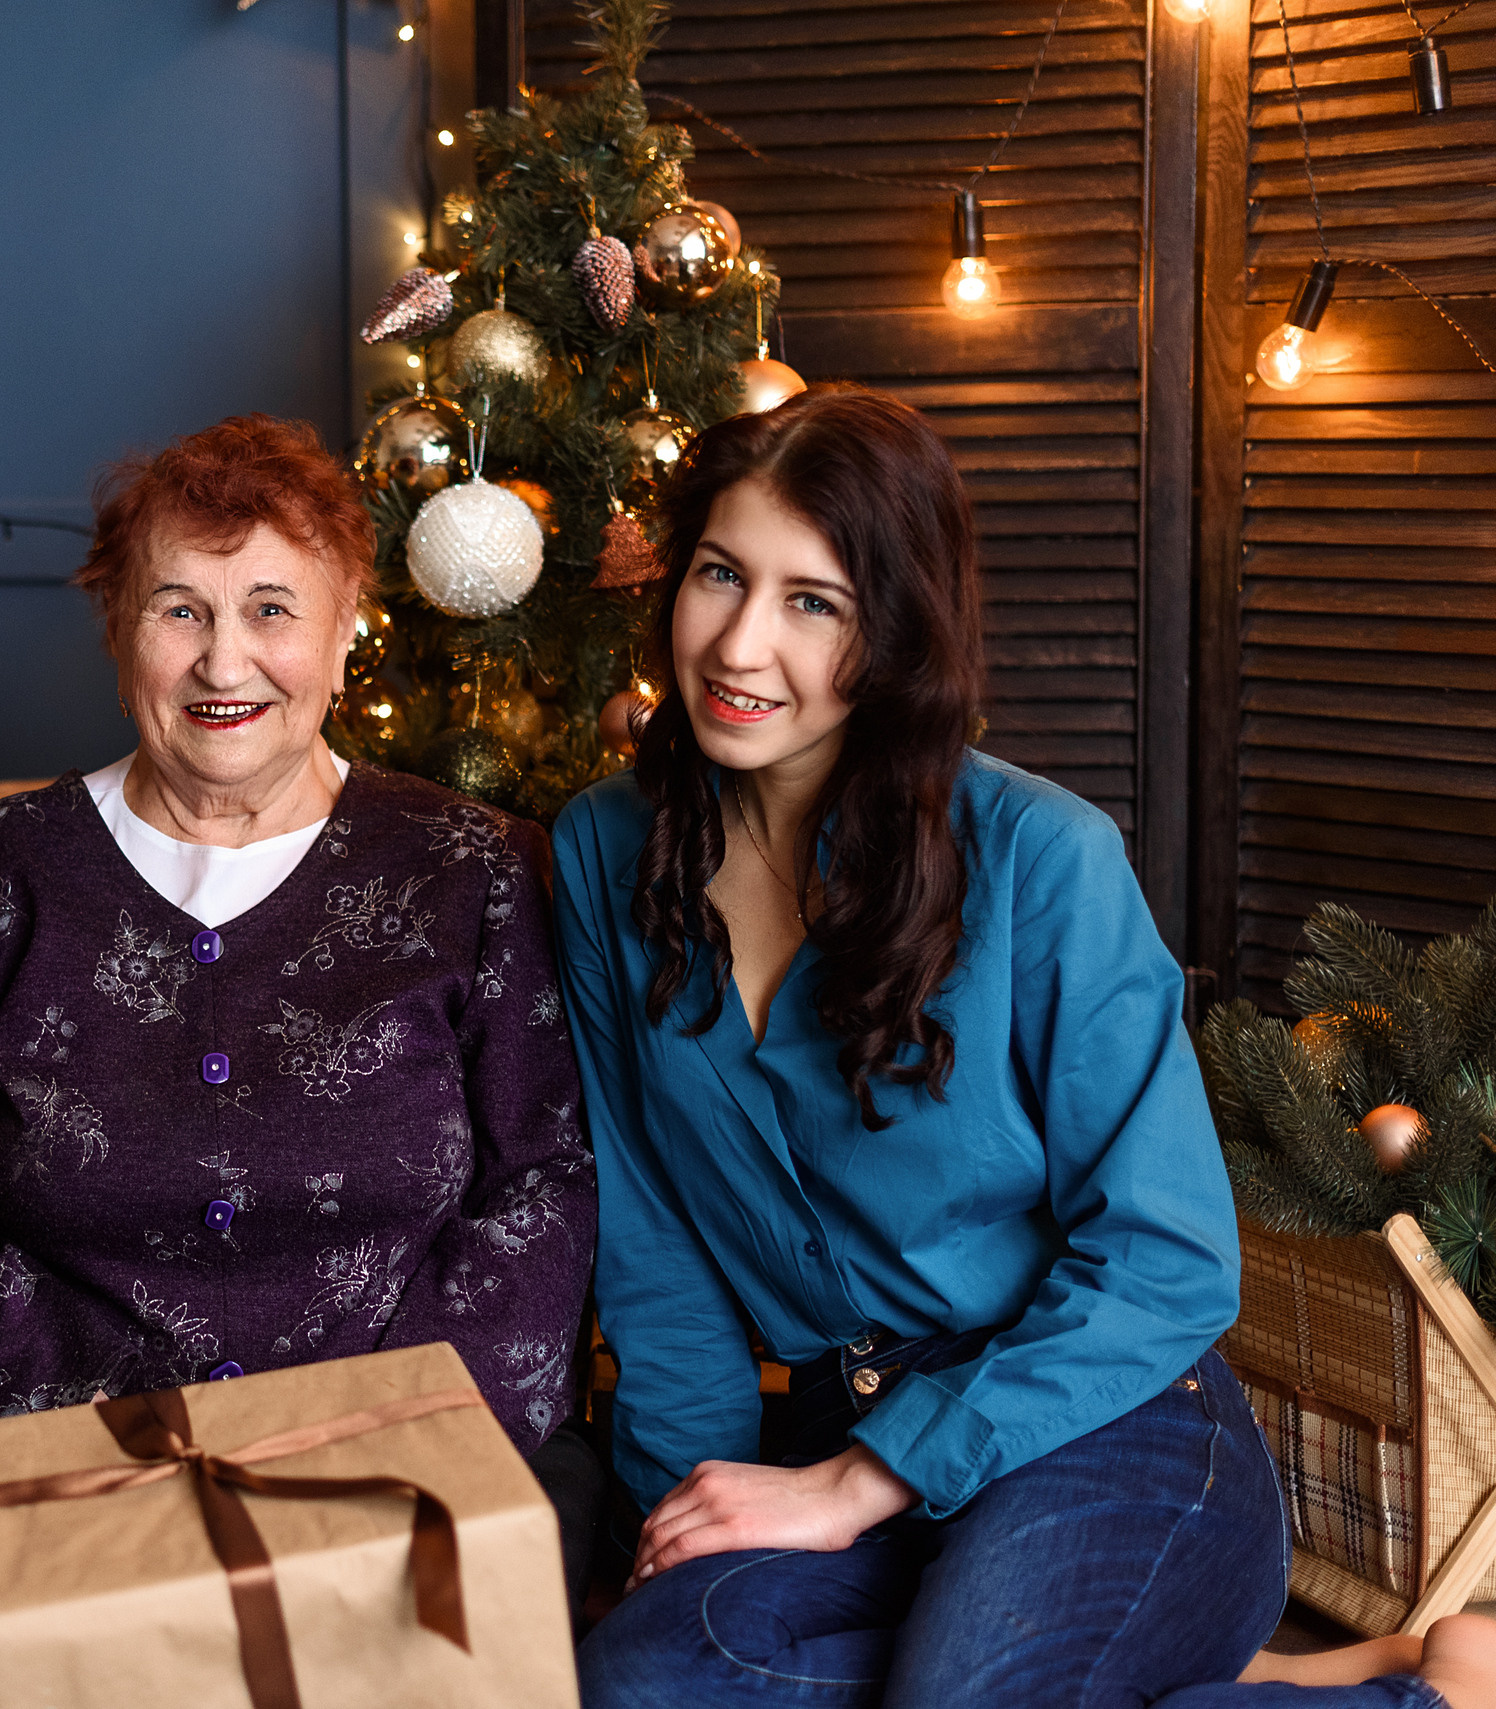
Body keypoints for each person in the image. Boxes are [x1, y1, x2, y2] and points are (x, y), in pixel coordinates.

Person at [552, 386, 1496, 1707]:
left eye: (812, 601)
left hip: (1112, 1426)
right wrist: (684, 1525)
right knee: (650, 1682)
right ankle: (1313, 1680)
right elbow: (652, 1243)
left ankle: (1427, 1697)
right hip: (844, 1433)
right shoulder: (606, 850)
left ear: (896, 631)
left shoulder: (1041, 859)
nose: (741, 644)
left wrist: (855, 1484)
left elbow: (1168, 1264)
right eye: (720, 574)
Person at [0, 414, 602, 1578]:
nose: (223, 661)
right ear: (118, 629)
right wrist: (131, 1443)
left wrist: (376, 1439)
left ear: (348, 624)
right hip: (85, 1468)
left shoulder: (476, 871)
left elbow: (542, 1188)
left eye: (271, 607)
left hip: (419, 1461)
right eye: (179, 609)